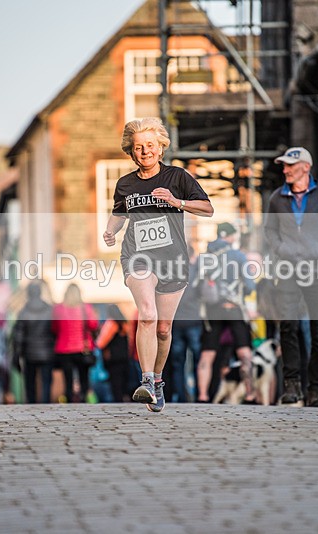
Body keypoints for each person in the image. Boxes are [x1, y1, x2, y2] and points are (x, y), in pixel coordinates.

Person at [103, 117, 213, 412]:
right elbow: (119, 213)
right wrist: (111, 230)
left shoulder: (178, 177)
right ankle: (147, 380)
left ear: (161, 148)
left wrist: (177, 202)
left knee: (164, 328)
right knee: (147, 315)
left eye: (150, 145)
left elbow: (207, 208)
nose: (145, 151)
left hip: (173, 260)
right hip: (137, 257)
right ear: (131, 152)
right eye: (138, 147)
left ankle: (159, 380)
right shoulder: (124, 184)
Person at [264, 146, 318, 407]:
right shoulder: (277, 198)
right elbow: (270, 231)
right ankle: (291, 386)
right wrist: (282, 249)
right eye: (284, 166)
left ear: (305, 167)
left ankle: (316, 390)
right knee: (288, 326)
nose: (285, 170)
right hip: (288, 270)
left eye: (290, 165)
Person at [195, 222, 257, 404]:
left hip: (212, 311)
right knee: (244, 352)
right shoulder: (238, 256)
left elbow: (197, 286)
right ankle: (250, 394)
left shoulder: (204, 257)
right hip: (234, 308)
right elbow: (250, 286)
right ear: (230, 236)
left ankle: (203, 395)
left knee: (207, 354)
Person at [166, 246, 203, 403]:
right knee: (198, 361)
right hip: (194, 320)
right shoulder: (195, 270)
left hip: (176, 321)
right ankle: (198, 394)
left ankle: (181, 397)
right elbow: (203, 293)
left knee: (177, 363)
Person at [51, 284, 99, 403]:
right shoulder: (85, 308)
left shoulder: (59, 308)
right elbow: (93, 324)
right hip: (82, 348)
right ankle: (83, 399)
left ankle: (69, 400)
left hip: (64, 349)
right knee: (84, 378)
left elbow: (54, 328)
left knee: (68, 379)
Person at [11, 282, 56, 404]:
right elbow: (56, 331)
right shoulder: (50, 311)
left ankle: (32, 406)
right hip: (47, 352)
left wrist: (16, 355)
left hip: (29, 353)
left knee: (30, 383)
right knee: (46, 382)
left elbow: (18, 337)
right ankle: (46, 405)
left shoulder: (23, 312)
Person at [94, 304, 131, 403]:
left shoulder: (111, 324)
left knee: (116, 385)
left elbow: (100, 343)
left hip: (113, 359)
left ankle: (119, 404)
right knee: (124, 384)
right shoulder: (125, 324)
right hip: (125, 358)